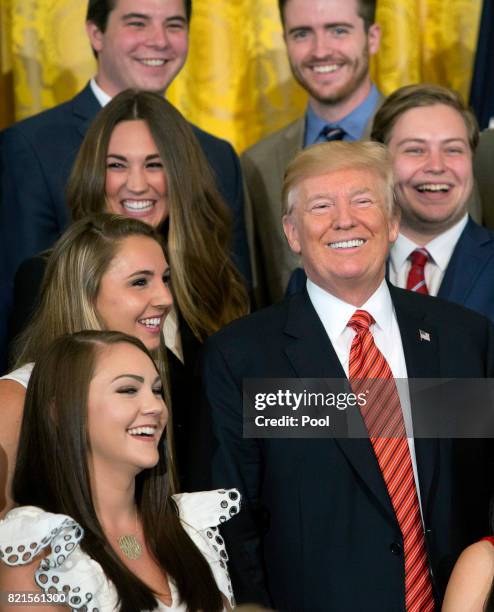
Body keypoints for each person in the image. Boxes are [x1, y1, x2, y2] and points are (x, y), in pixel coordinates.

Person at [202, 141, 494, 610]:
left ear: (393, 222)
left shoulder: (464, 339)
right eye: (321, 206)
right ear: (292, 232)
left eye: (363, 201)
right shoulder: (243, 357)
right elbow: (233, 521)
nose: (345, 219)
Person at [7, 90, 249, 490]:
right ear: (93, 174)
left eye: (155, 165)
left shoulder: (218, 281)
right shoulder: (44, 276)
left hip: (206, 518)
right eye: (117, 165)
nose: (137, 184)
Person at [0, 0, 251, 371]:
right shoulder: (29, 145)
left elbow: (238, 309)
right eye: (138, 22)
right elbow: (22, 315)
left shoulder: (217, 154)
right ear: (95, 33)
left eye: (174, 25)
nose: (159, 40)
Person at [0, 329, 239, 611]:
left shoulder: (190, 529)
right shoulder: (36, 551)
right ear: (59, 411)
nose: (155, 406)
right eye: (128, 390)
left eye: (157, 390)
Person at [0, 214, 173, 517]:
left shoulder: (162, 386)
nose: (165, 298)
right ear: (86, 293)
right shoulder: (15, 400)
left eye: (166, 279)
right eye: (140, 282)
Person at [241, 0, 383, 305]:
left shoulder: (422, 150)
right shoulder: (258, 164)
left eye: (338, 30)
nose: (320, 51)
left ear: (372, 37)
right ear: (285, 42)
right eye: (302, 34)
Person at [370, 83, 494, 322]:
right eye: (415, 150)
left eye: (453, 150)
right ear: (381, 161)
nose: (436, 166)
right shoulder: (334, 271)